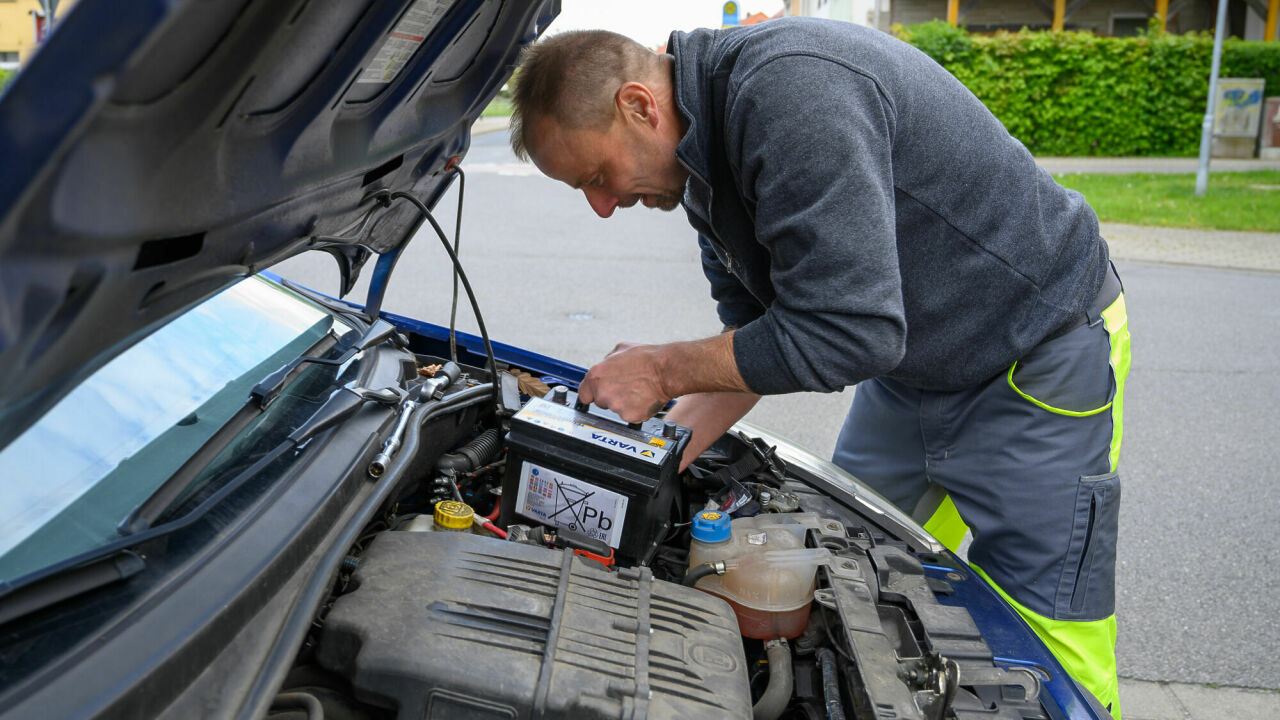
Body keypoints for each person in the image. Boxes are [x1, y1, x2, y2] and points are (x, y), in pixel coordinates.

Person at [508, 18, 1129, 718]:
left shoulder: (790, 93)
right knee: (857, 569)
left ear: (640, 106)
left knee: (1041, 637)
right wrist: (651, 461)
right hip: (911, 364)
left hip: (1031, 348)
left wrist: (660, 370)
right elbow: (752, 343)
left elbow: (847, 333)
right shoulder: (705, 170)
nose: (601, 206)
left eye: (596, 176)